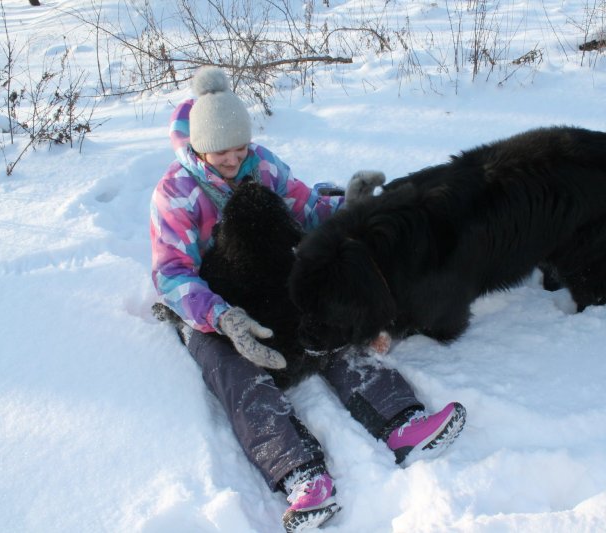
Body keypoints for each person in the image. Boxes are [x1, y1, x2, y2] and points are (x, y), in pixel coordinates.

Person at [150, 66, 467, 532]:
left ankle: (403, 420)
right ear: (199, 146)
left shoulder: (262, 163)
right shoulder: (175, 193)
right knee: (234, 368)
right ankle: (300, 476)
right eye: (223, 153)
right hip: (215, 303)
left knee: (324, 324)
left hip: (270, 280)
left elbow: (306, 208)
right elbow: (170, 271)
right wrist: (222, 317)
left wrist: (351, 206)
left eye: (241, 149)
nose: (235, 161)